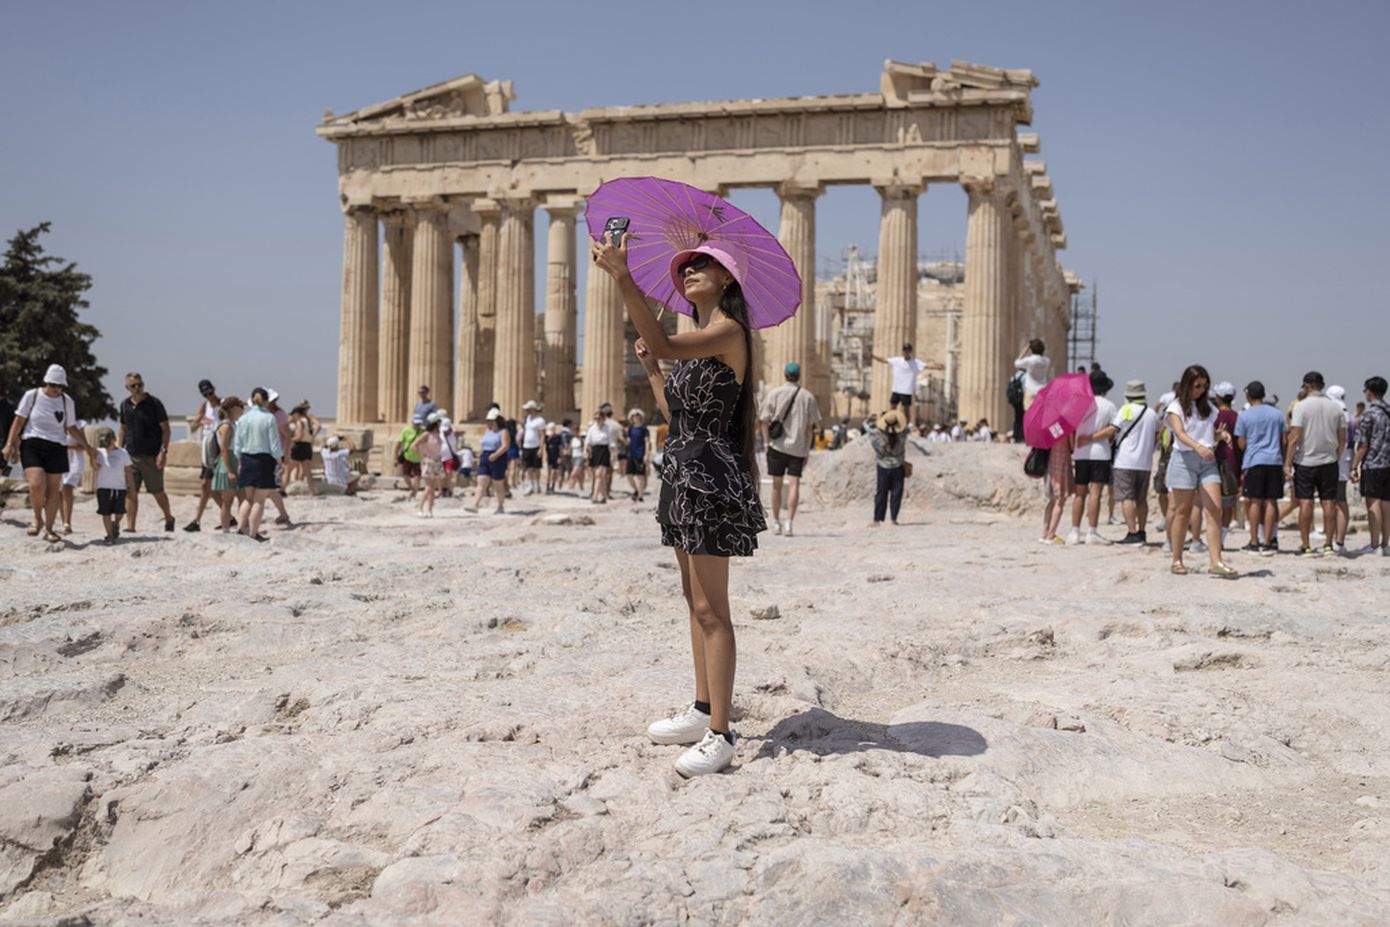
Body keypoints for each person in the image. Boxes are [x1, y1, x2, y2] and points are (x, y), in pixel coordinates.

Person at [593, 233, 766, 779]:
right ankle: (700, 710)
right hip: (682, 471)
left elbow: (670, 347)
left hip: (711, 477)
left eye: (702, 265)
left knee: (715, 609)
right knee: (693, 600)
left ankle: (721, 733)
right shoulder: (700, 338)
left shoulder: (729, 332)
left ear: (727, 279)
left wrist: (623, 277)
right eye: (685, 267)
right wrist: (650, 369)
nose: (688, 271)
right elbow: (677, 401)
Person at [2, 365, 98, 543]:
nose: (57, 389)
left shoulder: (66, 401)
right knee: (37, 484)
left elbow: (71, 427)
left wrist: (87, 446)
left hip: (57, 446)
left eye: (60, 386)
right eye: (54, 385)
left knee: (54, 490)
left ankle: (49, 528)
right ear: (47, 382)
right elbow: (19, 420)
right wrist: (9, 445)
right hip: (32, 443)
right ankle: (37, 518)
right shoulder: (32, 395)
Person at [1164, 365, 1237, 576]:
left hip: (1207, 462)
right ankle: (1177, 559)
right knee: (1182, 511)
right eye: (1197, 386)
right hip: (1184, 460)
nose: (1201, 390)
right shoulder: (1175, 407)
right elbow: (1179, 433)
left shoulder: (1209, 409)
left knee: (1214, 509)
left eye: (1204, 386)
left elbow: (1208, 435)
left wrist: (1220, 437)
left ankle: (1216, 561)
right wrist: (1198, 446)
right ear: (1187, 384)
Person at [1284, 371, 1346, 557]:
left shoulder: (1301, 407)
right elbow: (1342, 439)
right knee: (1329, 503)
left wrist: (1288, 463)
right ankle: (1328, 544)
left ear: (1307, 386)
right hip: (1329, 460)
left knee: (1305, 503)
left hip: (1305, 461)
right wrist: (1335, 456)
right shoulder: (1336, 408)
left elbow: (1294, 438)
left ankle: (1306, 545)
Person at [758, 361, 821, 537]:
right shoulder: (807, 396)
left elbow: (763, 421)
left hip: (776, 446)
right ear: (799, 376)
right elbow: (811, 428)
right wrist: (807, 449)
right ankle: (789, 523)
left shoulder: (774, 394)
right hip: (798, 448)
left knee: (776, 485)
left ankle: (776, 522)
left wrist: (765, 442)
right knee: (794, 485)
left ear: (785, 375)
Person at [1234, 380, 1287, 555]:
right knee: (1271, 501)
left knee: (1255, 501)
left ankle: (1254, 540)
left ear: (1248, 396)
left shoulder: (1244, 415)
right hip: (1274, 460)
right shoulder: (1277, 414)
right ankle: (1269, 541)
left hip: (1254, 460)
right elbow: (1284, 440)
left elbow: (1241, 444)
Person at [118, 371, 174, 533]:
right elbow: (123, 429)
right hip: (131, 456)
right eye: (133, 385)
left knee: (157, 491)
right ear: (127, 388)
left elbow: (166, 430)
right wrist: (120, 451)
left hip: (151, 456)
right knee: (130, 492)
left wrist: (163, 452)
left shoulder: (155, 404)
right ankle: (130, 526)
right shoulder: (124, 405)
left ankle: (169, 518)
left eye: (140, 384)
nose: (137, 388)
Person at [1067, 370, 1118, 545]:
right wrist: (1092, 438)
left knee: (1079, 493)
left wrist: (1076, 442)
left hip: (1080, 452)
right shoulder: (1109, 406)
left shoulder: (1078, 404)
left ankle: (1074, 532)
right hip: (1100, 453)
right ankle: (1092, 532)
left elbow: (1069, 427)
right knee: (1095, 493)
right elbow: (1113, 429)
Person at [1111, 380, 1159, 545]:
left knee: (1127, 498)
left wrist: (1092, 437)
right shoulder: (1152, 413)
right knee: (1141, 499)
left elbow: (1113, 429)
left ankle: (1132, 533)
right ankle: (1142, 531)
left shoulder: (1125, 410)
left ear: (1127, 395)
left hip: (1125, 461)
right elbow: (1157, 436)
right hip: (1145, 462)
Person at [233, 387, 283, 542]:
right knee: (259, 500)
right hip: (264, 460)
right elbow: (274, 444)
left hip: (247, 459)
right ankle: (254, 533)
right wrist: (279, 461)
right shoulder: (269, 418)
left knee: (248, 498)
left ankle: (241, 529)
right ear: (266, 401)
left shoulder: (243, 418)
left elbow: (237, 445)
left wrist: (240, 460)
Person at [1350, 376, 1390, 556]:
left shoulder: (1369, 414)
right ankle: (1385, 544)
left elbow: (1363, 444)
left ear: (1370, 391)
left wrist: (1354, 466)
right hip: (1388, 463)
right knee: (1387, 505)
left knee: (1373, 503)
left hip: (1373, 463)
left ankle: (1374, 545)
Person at [185, 379, 222, 531]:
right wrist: (201, 421)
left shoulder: (223, 403)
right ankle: (199, 520)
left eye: (210, 392)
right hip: (208, 449)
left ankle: (198, 521)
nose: (209, 396)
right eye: (206, 394)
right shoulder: (204, 406)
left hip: (220, 448)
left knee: (212, 487)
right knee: (207, 487)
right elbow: (193, 428)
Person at [1211, 382, 1242, 545]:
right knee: (1228, 503)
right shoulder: (1237, 416)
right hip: (1234, 463)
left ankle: (1214, 537)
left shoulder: (1215, 416)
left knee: (1214, 503)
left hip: (1216, 463)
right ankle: (1221, 538)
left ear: (1218, 397)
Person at [91, 427, 133, 545]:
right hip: (103, 487)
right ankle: (110, 535)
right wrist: (92, 457)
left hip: (120, 487)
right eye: (103, 444)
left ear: (114, 440)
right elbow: (95, 467)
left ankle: (115, 524)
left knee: (120, 512)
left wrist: (130, 485)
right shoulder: (100, 452)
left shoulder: (123, 453)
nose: (105, 446)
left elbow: (128, 470)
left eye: (107, 443)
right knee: (106, 513)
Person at [868, 408, 908, 526]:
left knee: (881, 492)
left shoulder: (876, 436)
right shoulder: (902, 436)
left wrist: (877, 419)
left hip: (882, 467)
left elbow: (869, 428)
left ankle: (877, 519)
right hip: (898, 466)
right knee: (897, 492)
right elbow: (905, 428)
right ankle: (894, 519)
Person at [467, 408, 511, 514]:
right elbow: (484, 444)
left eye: (491, 421)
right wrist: (479, 452)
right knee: (481, 482)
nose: (489, 423)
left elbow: (505, 446)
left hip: (498, 458)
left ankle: (500, 506)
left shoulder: (503, 431)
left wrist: (496, 454)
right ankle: (475, 505)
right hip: (485, 457)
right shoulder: (488, 431)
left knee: (498, 484)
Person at [211, 396, 244, 531]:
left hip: (235, 460)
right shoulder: (226, 426)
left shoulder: (233, 424)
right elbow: (224, 449)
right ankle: (226, 529)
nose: (242, 411)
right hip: (228, 463)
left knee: (243, 498)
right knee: (228, 501)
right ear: (233, 409)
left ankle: (242, 527)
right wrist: (230, 470)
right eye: (240, 408)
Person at [1327, 385, 1352, 553]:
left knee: (1339, 502)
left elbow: (1340, 441)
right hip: (1344, 461)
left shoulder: (1338, 414)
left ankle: (1340, 541)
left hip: (1337, 462)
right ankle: (1338, 538)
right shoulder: (1348, 413)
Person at [1039, 434, 1076, 544]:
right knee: (1060, 500)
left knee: (1051, 500)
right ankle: (1051, 535)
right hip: (1062, 462)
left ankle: (1044, 533)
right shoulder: (1066, 428)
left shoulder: (1048, 426)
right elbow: (1073, 446)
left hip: (1050, 463)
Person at [870, 343, 925, 414]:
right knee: (892, 407)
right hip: (896, 389)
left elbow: (926, 365)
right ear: (902, 351)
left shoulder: (915, 362)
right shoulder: (897, 360)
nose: (906, 352)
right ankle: (890, 422)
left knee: (906, 410)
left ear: (911, 351)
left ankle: (907, 424)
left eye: (908, 350)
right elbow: (883, 360)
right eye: (905, 350)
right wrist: (873, 356)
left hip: (906, 390)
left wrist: (938, 366)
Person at [411, 412, 445, 517]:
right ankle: (420, 508)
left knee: (432, 487)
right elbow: (414, 445)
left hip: (437, 461)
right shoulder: (426, 434)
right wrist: (422, 456)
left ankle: (430, 510)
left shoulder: (438, 434)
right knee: (429, 487)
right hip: (429, 461)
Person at [59, 417, 88, 535]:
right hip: (58, 459)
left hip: (74, 460)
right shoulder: (54, 422)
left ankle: (67, 522)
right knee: (59, 492)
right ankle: (63, 522)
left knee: (67, 488)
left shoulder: (78, 425)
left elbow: (83, 446)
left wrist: (67, 447)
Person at [287, 401, 320, 496]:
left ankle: (285, 488)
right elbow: (318, 426)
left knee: (288, 469)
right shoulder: (309, 419)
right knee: (307, 471)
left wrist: (290, 439)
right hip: (308, 446)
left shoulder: (300, 421)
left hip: (299, 446)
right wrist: (312, 437)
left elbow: (299, 436)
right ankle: (311, 491)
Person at [584, 409, 613, 504]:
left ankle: (595, 496)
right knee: (601, 476)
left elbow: (611, 443)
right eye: (595, 418)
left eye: (599, 418)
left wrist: (612, 455)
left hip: (604, 451)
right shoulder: (592, 428)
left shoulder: (608, 429)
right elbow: (587, 441)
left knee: (599, 474)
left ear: (603, 419)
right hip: (595, 451)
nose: (597, 420)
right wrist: (585, 451)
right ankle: (604, 496)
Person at [1014, 339, 1052, 409]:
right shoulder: (1047, 361)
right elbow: (1044, 357)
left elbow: (1016, 363)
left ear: (1031, 350)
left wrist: (1025, 350)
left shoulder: (1029, 360)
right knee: (1040, 414)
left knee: (1029, 415)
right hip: (1042, 390)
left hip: (1030, 390)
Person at [625, 409, 653, 502]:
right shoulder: (630, 428)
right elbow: (628, 441)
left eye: (637, 415)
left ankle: (640, 495)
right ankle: (636, 490)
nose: (636, 417)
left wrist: (646, 454)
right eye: (634, 415)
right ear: (631, 418)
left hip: (640, 454)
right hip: (631, 454)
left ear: (641, 417)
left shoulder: (644, 429)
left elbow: (647, 442)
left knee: (640, 476)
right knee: (629, 475)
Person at [519, 400, 546, 495]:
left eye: (528, 409)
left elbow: (542, 435)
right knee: (528, 467)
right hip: (527, 446)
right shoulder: (526, 419)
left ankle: (537, 484)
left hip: (536, 446)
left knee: (536, 467)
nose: (526, 411)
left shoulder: (540, 420)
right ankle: (530, 484)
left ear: (533, 410)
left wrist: (541, 448)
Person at [397, 418, 424, 499]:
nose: (418, 425)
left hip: (418, 458)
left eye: (419, 423)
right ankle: (412, 488)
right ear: (412, 422)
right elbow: (399, 443)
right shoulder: (405, 430)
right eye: (416, 423)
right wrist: (395, 457)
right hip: (407, 457)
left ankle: (414, 494)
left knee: (418, 477)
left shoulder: (423, 431)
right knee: (405, 476)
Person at [544, 422, 565, 494]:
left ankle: (552, 486)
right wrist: (545, 455)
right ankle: (547, 486)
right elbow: (545, 447)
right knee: (549, 472)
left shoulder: (558, 437)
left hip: (556, 456)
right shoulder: (547, 437)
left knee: (554, 472)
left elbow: (560, 448)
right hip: (549, 456)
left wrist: (560, 457)